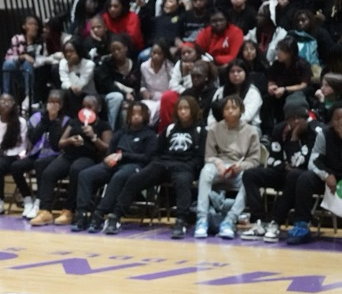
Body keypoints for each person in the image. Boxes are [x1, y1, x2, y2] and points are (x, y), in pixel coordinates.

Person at [98, 95, 206, 237]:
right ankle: (115, 216)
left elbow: (200, 158)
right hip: (163, 163)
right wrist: (157, 163)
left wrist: (190, 167)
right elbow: (157, 151)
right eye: (180, 108)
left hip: (184, 166)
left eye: (186, 108)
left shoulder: (201, 131)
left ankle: (181, 221)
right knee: (135, 179)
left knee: (183, 182)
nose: (183, 112)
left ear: (193, 110)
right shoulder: (170, 128)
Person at [241, 95, 323, 242]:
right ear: (287, 119)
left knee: (296, 175)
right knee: (250, 174)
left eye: (300, 117)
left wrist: (294, 138)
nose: (297, 121)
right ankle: (259, 222)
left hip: (307, 178)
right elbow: (273, 159)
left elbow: (304, 163)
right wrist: (284, 166)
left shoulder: (316, 131)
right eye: (292, 118)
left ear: (306, 115)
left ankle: (275, 222)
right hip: (285, 171)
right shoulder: (279, 129)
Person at [72, 101, 158, 232]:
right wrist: (108, 157)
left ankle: (99, 214)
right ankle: (82, 214)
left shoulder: (150, 135)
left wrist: (124, 156)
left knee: (119, 176)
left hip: (135, 166)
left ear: (145, 116)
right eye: (133, 113)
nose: (136, 116)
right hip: (115, 163)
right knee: (85, 174)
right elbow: (110, 149)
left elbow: (148, 158)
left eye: (139, 114)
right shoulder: (121, 132)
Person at [30, 94, 112, 226]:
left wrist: (93, 137)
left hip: (88, 157)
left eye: (90, 107)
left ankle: (69, 210)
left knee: (76, 170)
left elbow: (107, 148)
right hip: (69, 155)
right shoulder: (74, 122)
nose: (86, 109)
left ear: (99, 108)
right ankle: (45, 211)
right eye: (84, 106)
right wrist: (70, 140)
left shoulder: (103, 125)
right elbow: (61, 143)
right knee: (48, 173)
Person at [194, 95, 261, 239]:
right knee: (205, 172)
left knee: (250, 179)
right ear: (222, 112)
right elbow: (208, 157)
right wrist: (217, 163)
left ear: (241, 110)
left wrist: (241, 166)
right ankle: (202, 219)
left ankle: (230, 220)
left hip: (238, 169)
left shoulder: (251, 131)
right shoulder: (214, 129)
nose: (230, 111)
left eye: (234, 108)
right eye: (227, 108)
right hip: (219, 167)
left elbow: (255, 160)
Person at [286, 102, 342, 245]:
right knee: (305, 178)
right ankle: (302, 225)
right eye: (338, 118)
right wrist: (326, 175)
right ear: (331, 121)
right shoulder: (324, 135)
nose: (341, 122)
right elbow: (314, 160)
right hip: (330, 178)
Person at [10, 89, 71, 219]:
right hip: (36, 153)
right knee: (16, 167)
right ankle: (27, 199)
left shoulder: (66, 121)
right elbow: (32, 138)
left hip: (55, 156)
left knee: (40, 164)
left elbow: (56, 144)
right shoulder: (37, 117)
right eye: (51, 102)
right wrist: (45, 122)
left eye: (57, 102)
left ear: (62, 104)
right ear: (46, 103)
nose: (53, 105)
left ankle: (39, 201)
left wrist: (54, 122)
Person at [261, 37, 311, 135]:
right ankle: (267, 131)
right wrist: (271, 88)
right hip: (280, 91)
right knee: (266, 98)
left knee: (292, 100)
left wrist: (285, 89)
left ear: (291, 52)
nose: (278, 53)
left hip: (296, 92)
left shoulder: (302, 64)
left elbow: (304, 84)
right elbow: (271, 80)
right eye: (278, 49)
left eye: (282, 50)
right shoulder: (276, 64)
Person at [94, 34, 141, 129]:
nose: (116, 52)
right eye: (113, 50)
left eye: (119, 49)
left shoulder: (135, 65)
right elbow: (107, 85)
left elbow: (137, 87)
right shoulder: (106, 64)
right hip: (110, 97)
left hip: (131, 99)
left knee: (128, 111)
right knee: (118, 98)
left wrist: (131, 99)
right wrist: (124, 94)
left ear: (125, 48)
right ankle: (110, 129)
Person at [207, 59, 263, 131]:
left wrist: (228, 125)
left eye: (239, 71)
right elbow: (212, 115)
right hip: (222, 127)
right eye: (232, 72)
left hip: (247, 127)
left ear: (245, 73)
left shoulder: (253, 92)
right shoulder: (221, 91)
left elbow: (247, 116)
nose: (235, 74)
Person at [1, 14, 42, 109]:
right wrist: (23, 56)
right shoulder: (17, 38)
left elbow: (38, 59)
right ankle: (6, 95)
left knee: (28, 64)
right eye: (30, 24)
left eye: (35, 24)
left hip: (32, 70)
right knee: (7, 64)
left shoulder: (39, 42)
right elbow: (10, 57)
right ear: (24, 26)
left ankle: (29, 96)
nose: (33, 27)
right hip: (16, 67)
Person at [58, 38, 96, 115]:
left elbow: (79, 86)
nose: (68, 54)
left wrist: (71, 69)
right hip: (71, 92)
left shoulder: (89, 65)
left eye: (71, 51)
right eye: (66, 52)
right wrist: (70, 87)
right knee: (67, 93)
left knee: (71, 93)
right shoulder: (63, 63)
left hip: (87, 93)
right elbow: (64, 81)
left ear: (78, 51)